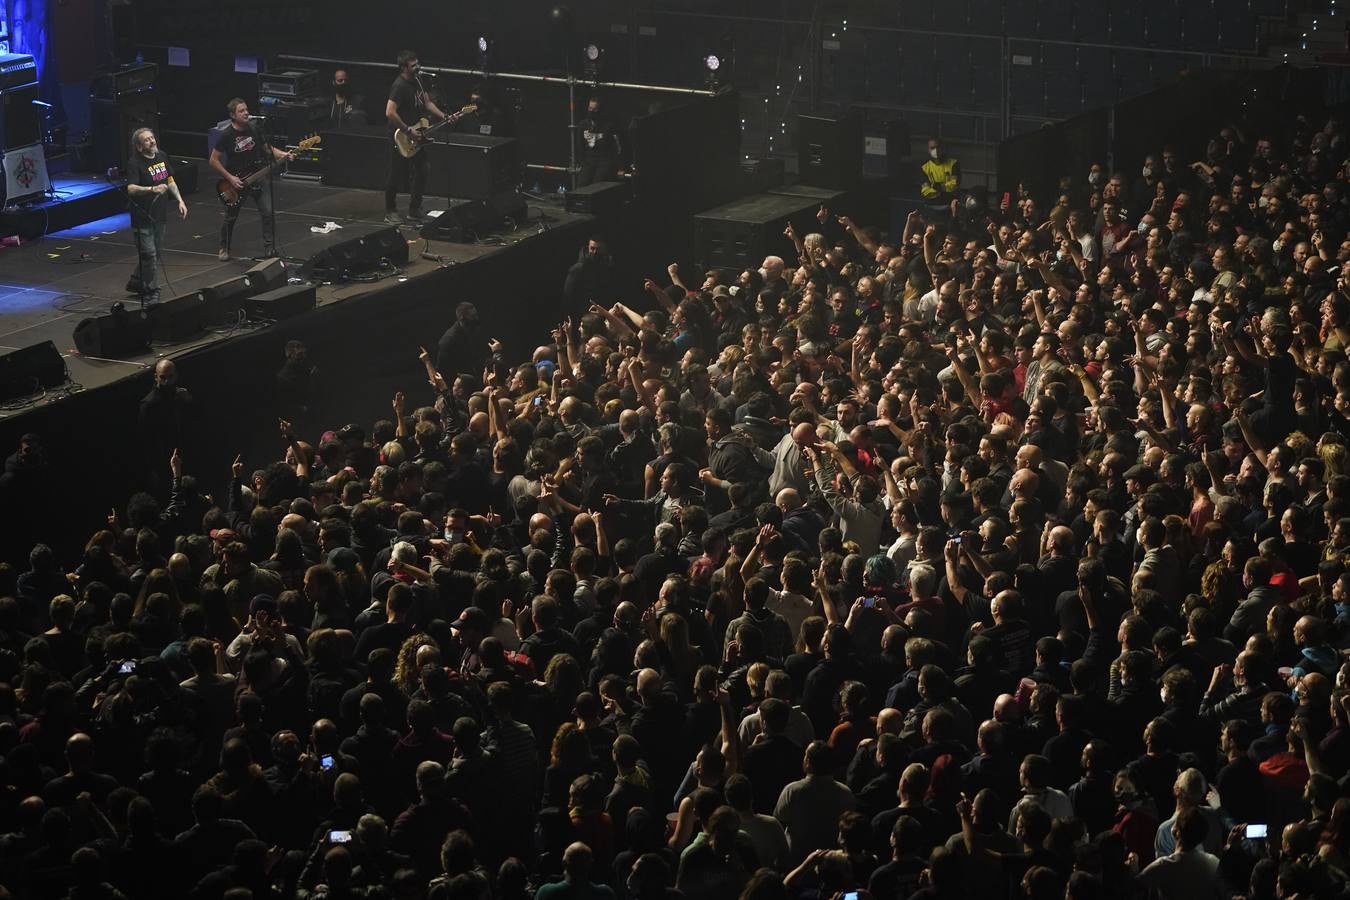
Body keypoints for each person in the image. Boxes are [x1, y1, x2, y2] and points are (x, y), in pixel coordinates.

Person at [208, 97, 293, 260]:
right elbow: (213, 160)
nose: (246, 113)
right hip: (237, 182)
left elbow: (267, 149)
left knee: (268, 212)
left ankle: (269, 248)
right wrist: (230, 178)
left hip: (257, 176)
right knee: (231, 216)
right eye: (241, 111)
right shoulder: (226, 135)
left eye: (246, 109)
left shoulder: (254, 129)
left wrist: (283, 154)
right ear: (233, 115)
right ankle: (223, 247)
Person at [384, 49, 448, 225]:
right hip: (400, 135)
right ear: (404, 68)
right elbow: (390, 112)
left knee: (423, 169)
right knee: (395, 173)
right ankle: (390, 211)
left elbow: (427, 102)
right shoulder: (399, 86)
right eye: (413, 65)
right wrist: (407, 130)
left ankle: (415, 209)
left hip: (416, 132)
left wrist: (445, 116)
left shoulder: (418, 80)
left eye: (417, 63)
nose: (417, 67)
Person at [124, 127, 187, 306]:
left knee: (154, 254)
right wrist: (152, 189)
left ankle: (136, 280)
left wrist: (180, 200)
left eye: (152, 138)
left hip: (159, 214)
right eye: (146, 140)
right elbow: (131, 188)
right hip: (142, 217)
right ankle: (152, 290)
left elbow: (170, 180)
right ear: (139, 146)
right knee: (149, 254)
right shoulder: (134, 163)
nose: (152, 141)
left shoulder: (162, 156)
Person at [577, 96, 621, 187]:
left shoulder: (609, 126)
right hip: (589, 160)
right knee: (582, 184)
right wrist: (582, 162)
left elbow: (616, 147)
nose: (591, 111)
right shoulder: (583, 124)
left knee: (597, 185)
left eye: (595, 109)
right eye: (590, 108)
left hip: (603, 161)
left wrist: (620, 167)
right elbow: (580, 145)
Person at [920, 138, 959, 206]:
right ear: (928, 150)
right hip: (932, 202)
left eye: (938, 147)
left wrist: (939, 188)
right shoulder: (924, 168)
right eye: (932, 148)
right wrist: (938, 193)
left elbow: (954, 185)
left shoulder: (953, 164)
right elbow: (925, 189)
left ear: (942, 148)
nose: (936, 150)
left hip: (950, 201)